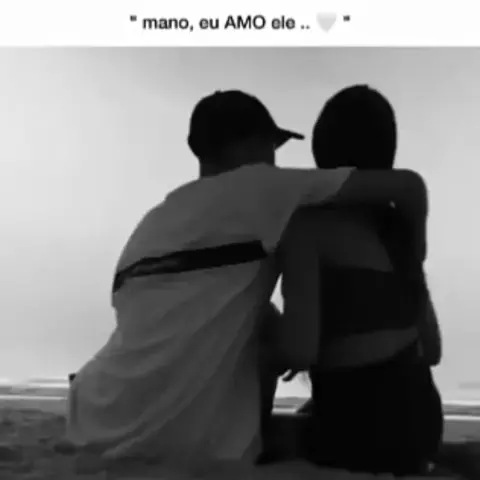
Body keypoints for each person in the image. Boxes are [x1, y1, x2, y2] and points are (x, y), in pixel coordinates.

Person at [66, 89, 430, 474]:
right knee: (262, 344)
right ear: (257, 142)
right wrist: (415, 254)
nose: (275, 159)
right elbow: (407, 186)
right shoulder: (263, 186)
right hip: (190, 440)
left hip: (97, 415)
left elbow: (187, 308)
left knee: (254, 327)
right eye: (274, 146)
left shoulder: (152, 224)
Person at [277, 85, 443, 475]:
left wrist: (267, 337)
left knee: (272, 441)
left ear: (321, 151)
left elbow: (299, 352)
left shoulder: (307, 227)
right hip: (421, 423)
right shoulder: (400, 228)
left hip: (357, 434)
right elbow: (433, 350)